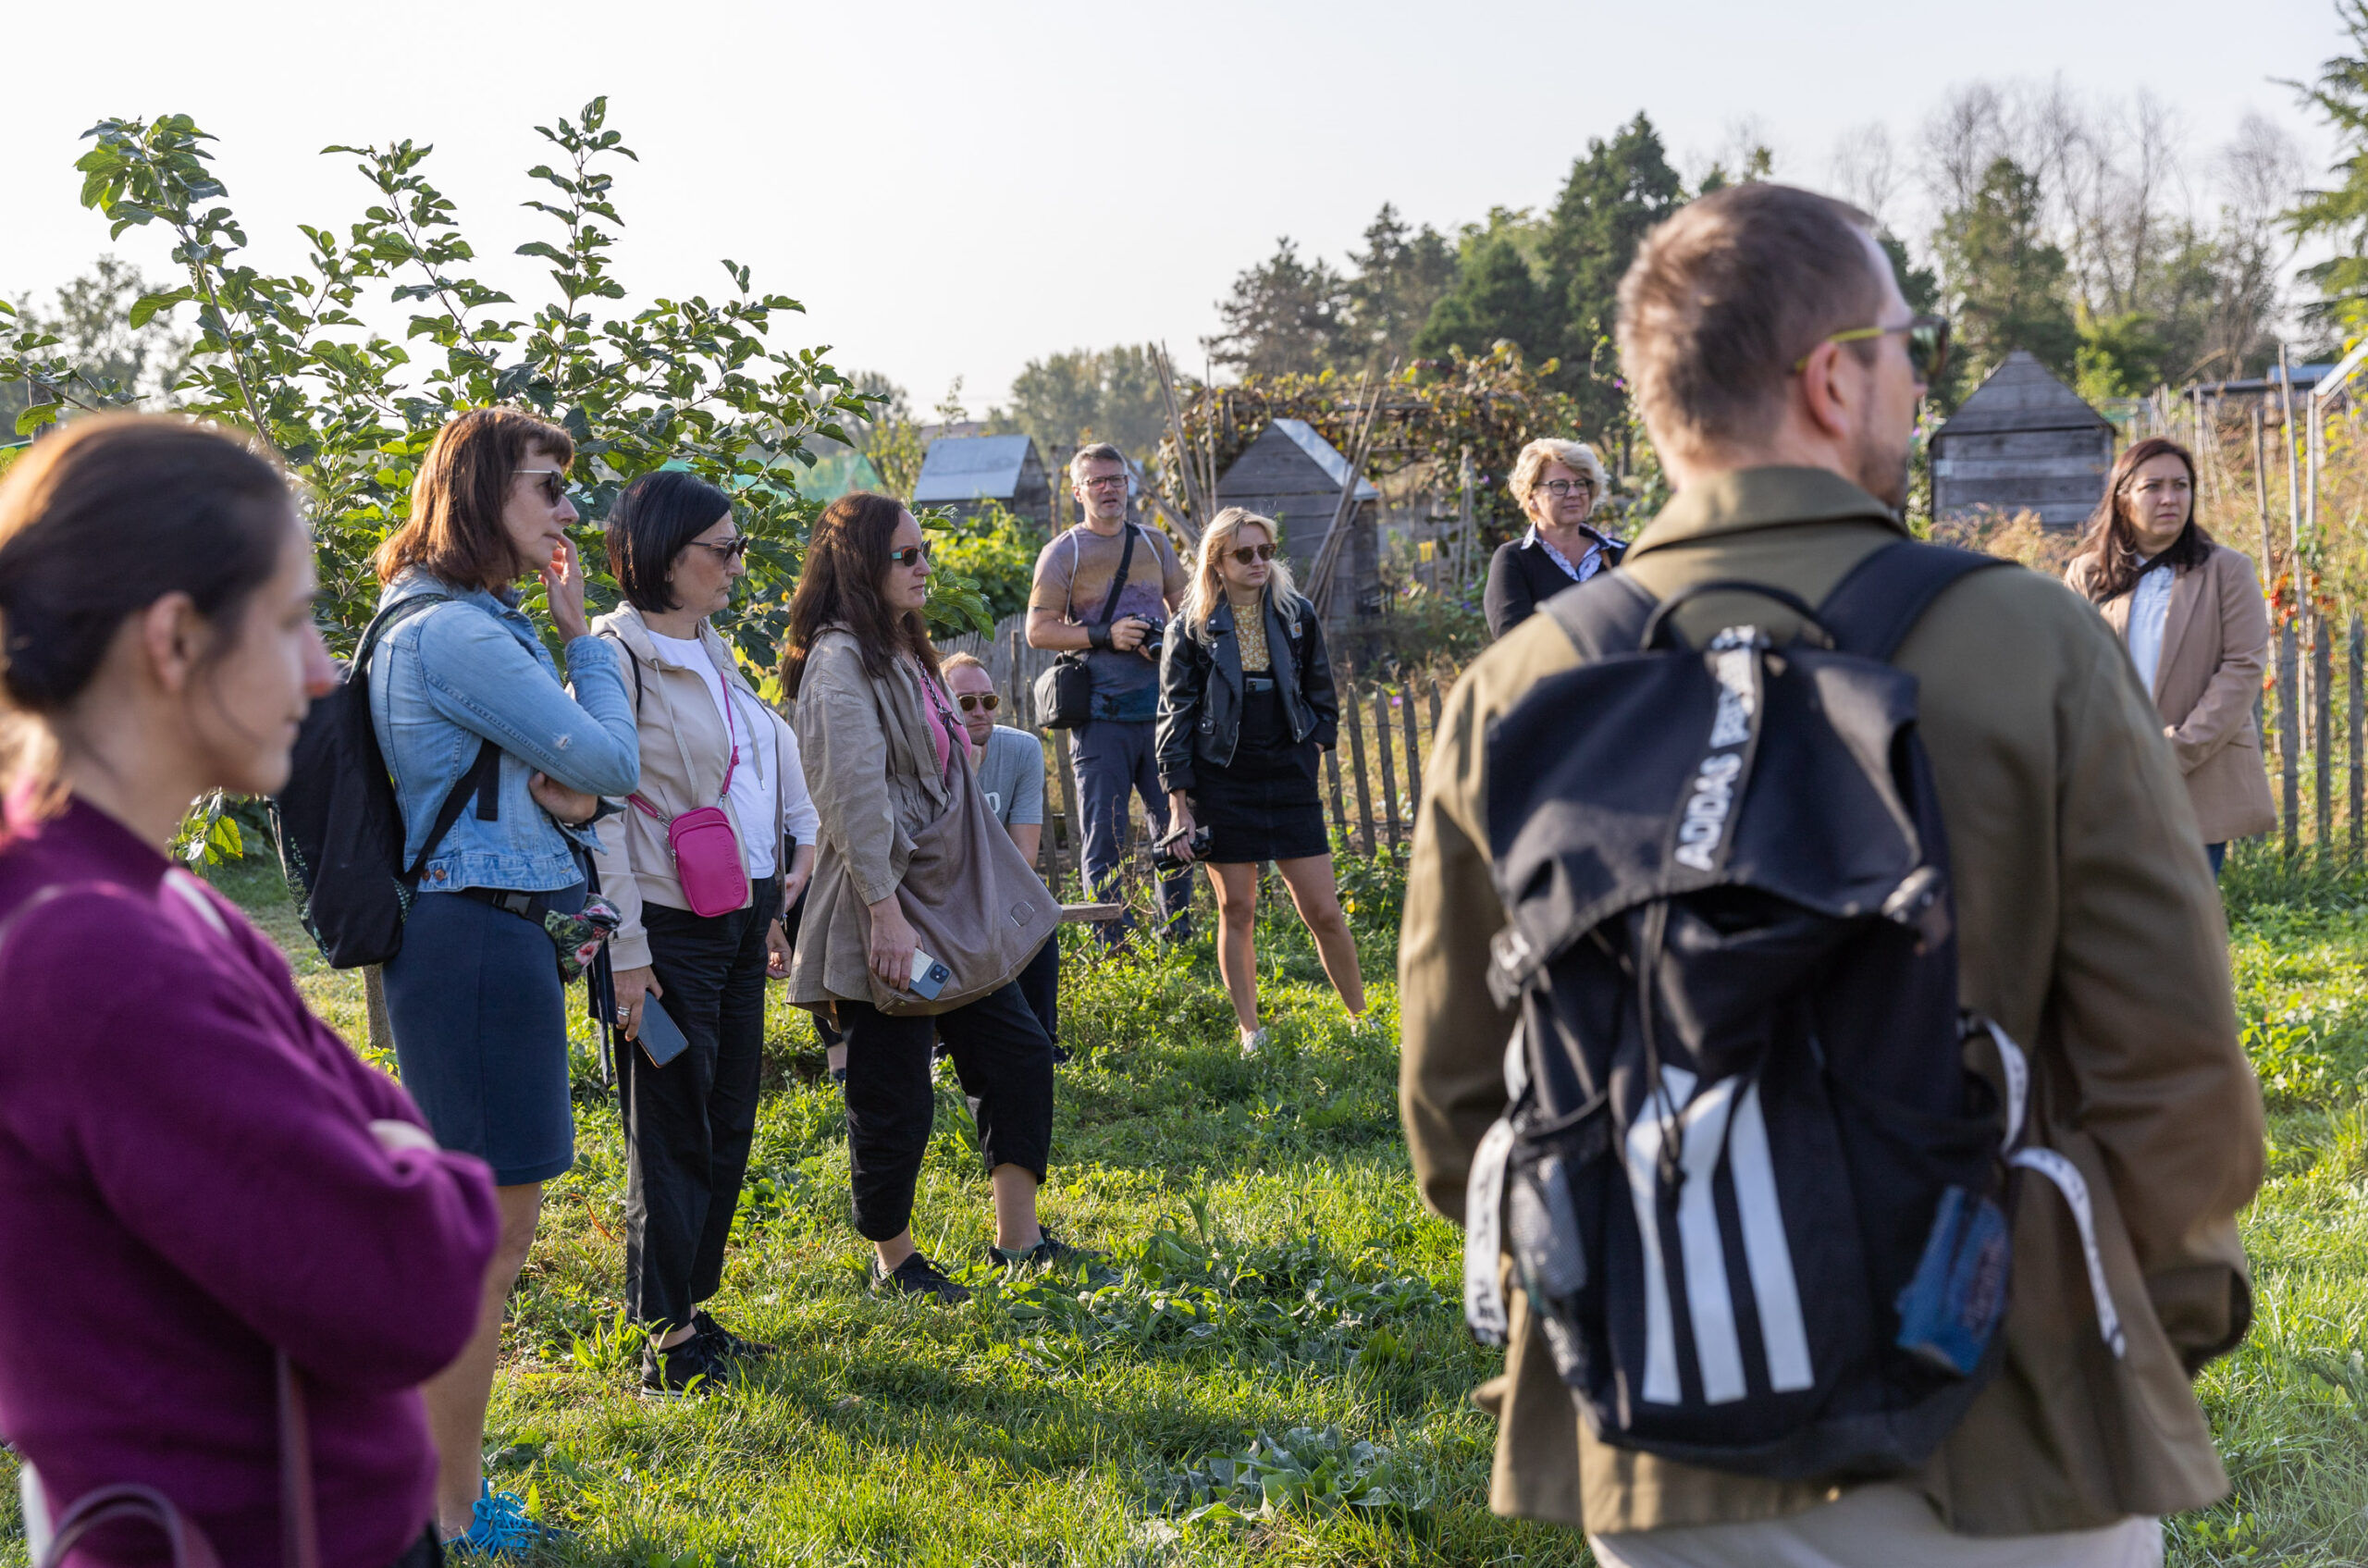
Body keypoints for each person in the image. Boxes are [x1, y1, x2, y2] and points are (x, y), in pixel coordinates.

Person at [1401, 182, 2262, 1567]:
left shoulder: (1517, 689)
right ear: (1832, 374)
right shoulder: (2032, 641)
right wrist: (2134, 1322)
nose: (1917, 377)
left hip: (1669, 1430)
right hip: (2008, 1417)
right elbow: (2177, 1068)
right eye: (1908, 343)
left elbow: (1458, 1110)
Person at [0, 416, 500, 1568]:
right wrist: (408, 1164)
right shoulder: (94, 960)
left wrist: (394, 1156)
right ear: (174, 638)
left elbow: (394, 1167)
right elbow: (415, 1284)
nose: (325, 668)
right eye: (289, 620)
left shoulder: (141, 899)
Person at [370, 407, 641, 1548]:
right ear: (481, 495)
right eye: (548, 487)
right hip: (475, 943)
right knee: (482, 1245)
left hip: (482, 938)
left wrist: (577, 785)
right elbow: (610, 762)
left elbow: (581, 788)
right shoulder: (461, 638)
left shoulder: (464, 622)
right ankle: (439, 1508)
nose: (569, 511)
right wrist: (587, 649)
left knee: (484, 1241)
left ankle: (439, 1492)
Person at [784, 492, 1079, 1304]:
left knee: (1017, 1053)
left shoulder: (904, 650)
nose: (923, 568)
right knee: (893, 1093)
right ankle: (894, 1259)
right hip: (889, 906)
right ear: (859, 566)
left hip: (949, 899)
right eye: (905, 556)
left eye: (924, 553)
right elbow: (850, 797)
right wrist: (885, 909)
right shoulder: (839, 661)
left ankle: (1018, 1239)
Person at [591, 469, 818, 1394]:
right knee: (672, 1129)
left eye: (738, 547)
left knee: (725, 1121)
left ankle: (689, 1307)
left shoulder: (712, 648)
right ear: (659, 555)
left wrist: (774, 893)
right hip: (662, 928)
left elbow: (749, 776)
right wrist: (628, 954)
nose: (736, 564)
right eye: (718, 550)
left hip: (729, 916)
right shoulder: (615, 655)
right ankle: (667, 1346)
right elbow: (602, 812)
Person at [1155, 508, 1364, 1053]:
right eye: (1244, 553)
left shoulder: (1297, 614)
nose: (1258, 563)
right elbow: (1174, 715)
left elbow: (1323, 695)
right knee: (1236, 908)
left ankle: (1361, 1018)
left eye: (1266, 552)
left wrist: (1315, 743)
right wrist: (1179, 804)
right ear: (1217, 562)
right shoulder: (1191, 628)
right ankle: (1251, 1031)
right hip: (1222, 779)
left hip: (1288, 775)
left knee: (1323, 910)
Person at [2065, 438, 2276, 876]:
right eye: (2153, 486)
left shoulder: (2228, 571)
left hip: (2198, 780)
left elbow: (2242, 670)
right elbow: (2070, 674)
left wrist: (2171, 753)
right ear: (2123, 497)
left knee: (2182, 932)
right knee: (2112, 926)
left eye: (2181, 485)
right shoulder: (2087, 574)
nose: (2169, 498)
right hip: (2111, 782)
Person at [1025, 442, 1193, 941]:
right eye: (1096, 481)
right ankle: (1113, 949)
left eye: (1116, 479)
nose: (1108, 489)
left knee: (1176, 829)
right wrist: (1107, 635)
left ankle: (1178, 940)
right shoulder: (1065, 552)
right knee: (1105, 839)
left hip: (1163, 714)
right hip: (1100, 718)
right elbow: (1039, 630)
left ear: (1128, 486)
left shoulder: (1154, 543)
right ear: (1078, 491)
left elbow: (1186, 611)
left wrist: (1164, 642)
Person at [944, 650, 1059, 1051]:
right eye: (965, 703)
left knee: (1038, 911)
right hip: (938, 888)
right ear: (940, 704)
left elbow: (1024, 856)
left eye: (989, 701)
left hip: (999, 882)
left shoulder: (1022, 749)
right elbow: (941, 852)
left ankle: (1044, 1039)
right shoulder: (926, 754)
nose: (980, 711)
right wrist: (968, 771)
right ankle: (946, 1045)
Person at [1483, 438, 1624, 639]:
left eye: (1581, 484)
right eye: (1560, 485)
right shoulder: (1514, 560)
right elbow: (1515, 642)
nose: (1574, 493)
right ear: (1531, 497)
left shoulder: (1621, 555)